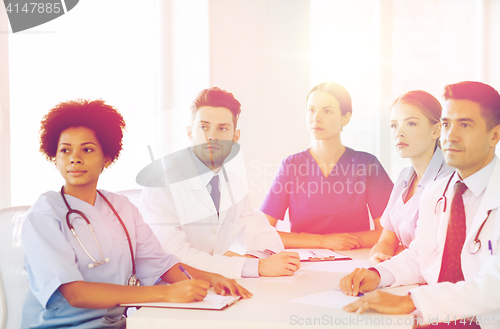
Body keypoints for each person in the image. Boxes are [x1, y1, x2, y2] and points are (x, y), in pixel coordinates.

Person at [22, 99, 251, 329]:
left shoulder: (120, 206)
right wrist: (166, 294)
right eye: (65, 150)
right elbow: (75, 293)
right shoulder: (44, 215)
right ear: (55, 155)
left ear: (107, 157)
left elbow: (162, 265)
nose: (74, 158)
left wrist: (214, 279)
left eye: (87, 149)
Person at [340, 81, 500, 328]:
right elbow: (421, 254)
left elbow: (494, 285)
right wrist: (377, 274)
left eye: (465, 125)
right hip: (434, 319)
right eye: (447, 124)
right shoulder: (437, 192)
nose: (451, 135)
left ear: (495, 135)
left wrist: (413, 301)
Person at [140, 87, 300, 279]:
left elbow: (264, 234)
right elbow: (174, 257)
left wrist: (251, 260)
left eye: (222, 128)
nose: (212, 136)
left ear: (235, 138)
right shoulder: (160, 183)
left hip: (216, 290)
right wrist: (253, 267)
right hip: (170, 294)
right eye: (204, 127)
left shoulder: (233, 183)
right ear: (190, 133)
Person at [260, 82, 393, 250]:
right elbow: (262, 232)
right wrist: (324, 242)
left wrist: (344, 241)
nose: (316, 117)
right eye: (311, 110)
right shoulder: (291, 166)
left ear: (346, 118)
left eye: (327, 111)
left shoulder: (367, 165)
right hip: (304, 266)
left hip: (356, 262)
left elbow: (388, 232)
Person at [369, 90, 453, 265]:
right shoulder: (403, 177)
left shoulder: (450, 181)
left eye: (411, 124)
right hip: (401, 274)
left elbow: (430, 255)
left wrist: (390, 266)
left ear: (436, 130)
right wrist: (377, 260)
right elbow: (386, 241)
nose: (399, 133)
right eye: (394, 125)